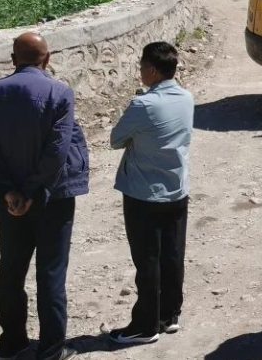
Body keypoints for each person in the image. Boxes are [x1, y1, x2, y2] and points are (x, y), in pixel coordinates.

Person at [0, 32, 88, 360]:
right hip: (52, 197)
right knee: (50, 272)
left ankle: (12, 343)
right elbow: (56, 151)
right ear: (47, 60)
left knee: (10, 269)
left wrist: (11, 191)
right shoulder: (59, 92)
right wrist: (33, 190)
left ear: (12, 59)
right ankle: (50, 351)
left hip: (9, 202)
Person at [108, 42, 194, 346]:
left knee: (147, 260)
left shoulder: (143, 105)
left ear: (153, 70)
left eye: (142, 66)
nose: (140, 71)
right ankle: (169, 315)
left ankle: (145, 326)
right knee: (172, 255)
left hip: (144, 195)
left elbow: (115, 139)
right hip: (177, 191)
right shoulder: (186, 98)